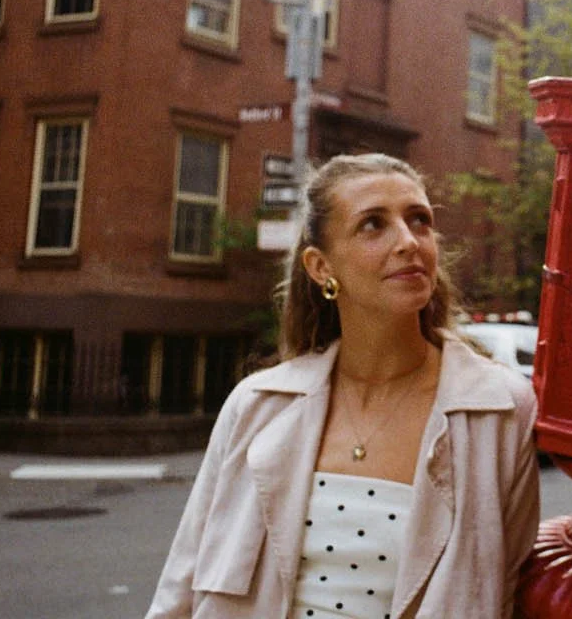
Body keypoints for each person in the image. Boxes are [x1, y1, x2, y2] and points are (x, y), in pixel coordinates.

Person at [147, 153, 539, 618]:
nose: (409, 241)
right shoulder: (256, 406)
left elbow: (508, 594)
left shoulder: (500, 411)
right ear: (320, 267)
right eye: (373, 224)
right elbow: (181, 589)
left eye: (419, 220)